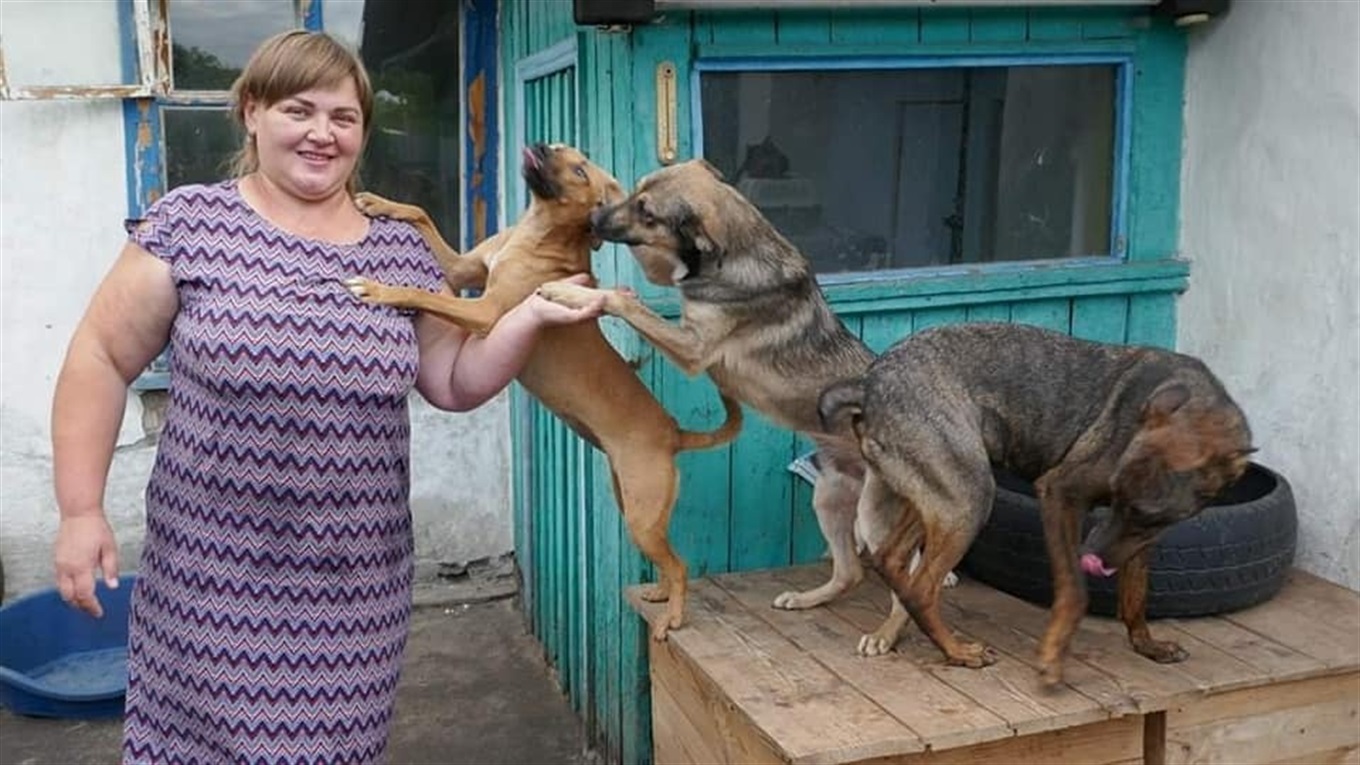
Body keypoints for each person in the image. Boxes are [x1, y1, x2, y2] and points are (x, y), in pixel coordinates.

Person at [49, 30, 601, 763]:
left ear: (362, 133)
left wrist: (531, 312)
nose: (321, 133)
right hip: (207, 581)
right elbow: (100, 355)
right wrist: (80, 510)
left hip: (352, 590)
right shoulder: (191, 225)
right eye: (298, 110)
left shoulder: (399, 250)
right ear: (251, 112)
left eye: (343, 118)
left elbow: (454, 382)